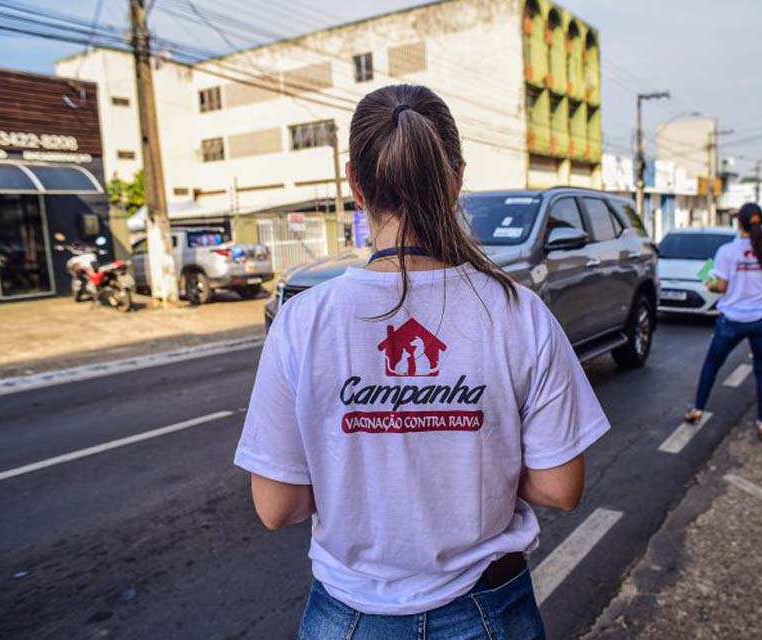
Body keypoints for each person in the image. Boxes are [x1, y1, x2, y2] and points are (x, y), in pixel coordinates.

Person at [233, 84, 610, 639]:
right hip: (488, 613)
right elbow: (560, 488)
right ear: (455, 179)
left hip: (347, 617)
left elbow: (276, 506)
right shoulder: (518, 312)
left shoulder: (302, 321)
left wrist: (355, 470)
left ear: (354, 184)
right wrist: (475, 464)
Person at [684, 203, 762, 439]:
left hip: (732, 320)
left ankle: (697, 410)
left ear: (739, 222)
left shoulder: (727, 251)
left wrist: (708, 282)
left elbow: (721, 286)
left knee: (712, 365)